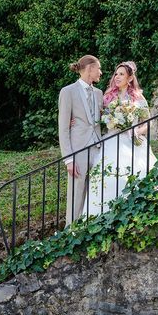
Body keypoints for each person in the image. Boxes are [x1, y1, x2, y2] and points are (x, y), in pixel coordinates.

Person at [83, 61, 157, 217]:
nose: (117, 77)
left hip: (132, 142)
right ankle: (102, 215)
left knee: (135, 174)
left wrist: (137, 131)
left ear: (130, 78)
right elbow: (95, 116)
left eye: (121, 74)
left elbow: (148, 123)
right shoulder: (108, 96)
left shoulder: (138, 97)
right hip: (111, 140)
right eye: (116, 74)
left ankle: (133, 212)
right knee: (108, 179)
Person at [58, 54, 103, 226]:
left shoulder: (99, 94)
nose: (100, 72)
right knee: (76, 191)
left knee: (97, 189)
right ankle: (72, 230)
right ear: (90, 68)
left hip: (98, 147)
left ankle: (91, 226)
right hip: (78, 150)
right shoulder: (67, 92)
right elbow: (63, 128)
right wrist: (68, 159)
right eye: (98, 68)